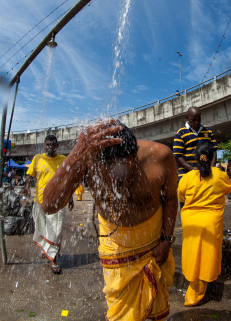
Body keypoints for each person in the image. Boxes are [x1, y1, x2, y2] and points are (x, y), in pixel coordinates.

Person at [43, 120, 177, 321]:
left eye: (123, 173)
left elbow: (171, 198)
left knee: (156, 310)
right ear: (95, 163)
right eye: (109, 176)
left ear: (134, 154)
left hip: (153, 245)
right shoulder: (88, 161)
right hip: (115, 249)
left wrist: (167, 239)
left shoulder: (160, 156)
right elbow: (49, 204)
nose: (117, 180)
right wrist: (76, 155)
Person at [178, 142, 231, 306]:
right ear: (212, 158)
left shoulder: (187, 178)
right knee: (207, 254)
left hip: (190, 222)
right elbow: (228, 190)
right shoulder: (220, 175)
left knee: (192, 252)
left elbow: (181, 196)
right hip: (210, 222)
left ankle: (192, 290)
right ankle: (197, 292)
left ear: (195, 158)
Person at [26, 135, 72, 275]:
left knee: (56, 231)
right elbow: (30, 175)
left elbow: (68, 180)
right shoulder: (37, 158)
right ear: (44, 146)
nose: (50, 147)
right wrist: (26, 186)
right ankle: (46, 250)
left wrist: (70, 197)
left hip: (58, 203)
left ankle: (53, 259)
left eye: (53, 144)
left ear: (57, 145)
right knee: (42, 228)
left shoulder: (63, 160)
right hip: (40, 201)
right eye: (48, 145)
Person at [173, 106, 218, 183]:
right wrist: (193, 170)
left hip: (207, 174)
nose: (197, 122)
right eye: (193, 120)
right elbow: (178, 156)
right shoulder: (181, 133)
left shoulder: (208, 131)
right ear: (187, 118)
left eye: (199, 119)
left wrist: (212, 168)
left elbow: (213, 151)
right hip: (186, 175)